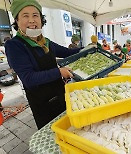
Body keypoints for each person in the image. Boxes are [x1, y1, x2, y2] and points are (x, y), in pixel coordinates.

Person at [5, 0, 82, 129]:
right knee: (53, 133)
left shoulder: (46, 42)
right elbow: (28, 78)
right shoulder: (14, 45)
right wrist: (59, 72)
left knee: (70, 127)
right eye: (25, 16)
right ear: (17, 21)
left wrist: (86, 49)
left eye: (35, 15)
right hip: (42, 103)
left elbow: (68, 52)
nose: (31, 20)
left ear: (41, 19)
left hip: (60, 93)